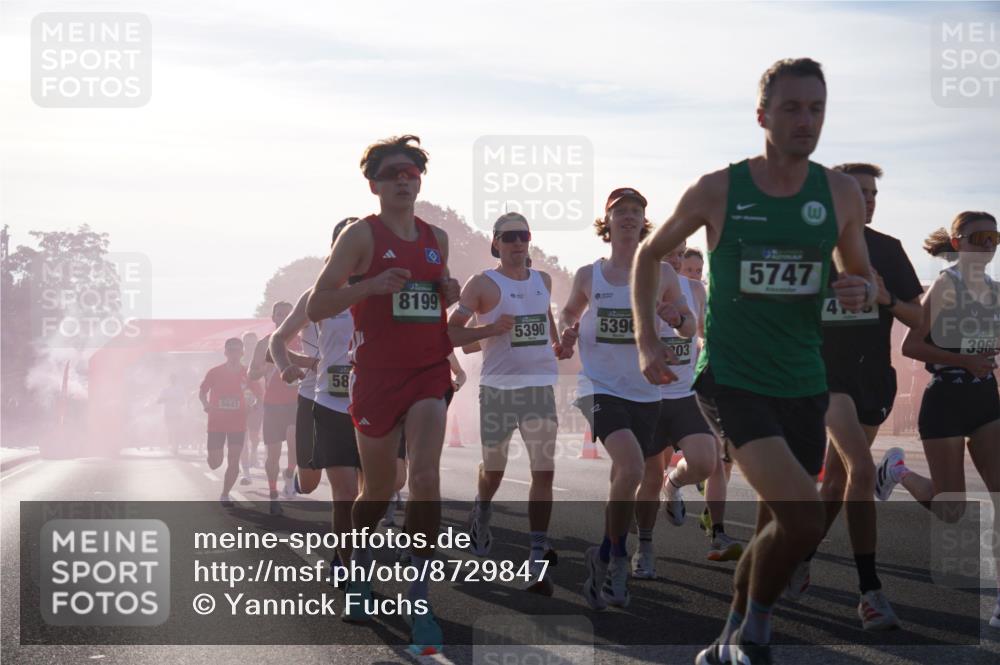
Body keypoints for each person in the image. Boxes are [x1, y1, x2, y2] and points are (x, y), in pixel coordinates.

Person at [632, 58, 877, 665]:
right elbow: (648, 253)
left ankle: (728, 638)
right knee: (803, 521)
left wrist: (858, 288)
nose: (806, 121)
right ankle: (756, 636)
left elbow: (860, 274)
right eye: (792, 108)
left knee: (777, 527)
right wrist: (645, 339)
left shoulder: (839, 192)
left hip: (804, 382)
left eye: (816, 109)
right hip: (733, 381)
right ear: (762, 115)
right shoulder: (719, 189)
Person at [306, 135, 460, 656]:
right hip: (374, 378)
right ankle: (357, 572)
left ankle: (419, 597)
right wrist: (367, 288)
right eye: (393, 172)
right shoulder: (359, 236)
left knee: (422, 477)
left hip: (427, 371)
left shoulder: (436, 235)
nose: (403, 178)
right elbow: (318, 304)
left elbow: (437, 294)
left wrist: (449, 291)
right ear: (373, 184)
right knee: (373, 494)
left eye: (412, 171)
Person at [560, 187, 695, 610]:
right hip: (599, 387)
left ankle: (602, 553)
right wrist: (566, 329)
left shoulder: (663, 274)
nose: (630, 216)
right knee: (633, 466)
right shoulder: (589, 274)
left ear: (644, 222)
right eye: (621, 211)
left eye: (637, 210)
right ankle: (619, 560)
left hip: (646, 391)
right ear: (608, 221)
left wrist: (678, 317)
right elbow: (568, 312)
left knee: (627, 478)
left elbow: (690, 327)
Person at [806, 162, 924, 630]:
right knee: (858, 467)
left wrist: (884, 299)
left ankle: (801, 555)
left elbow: (918, 318)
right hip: (823, 377)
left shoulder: (889, 250)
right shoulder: (809, 249)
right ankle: (870, 592)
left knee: (835, 484)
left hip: (873, 378)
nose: (869, 200)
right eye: (859, 192)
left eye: (874, 192)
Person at [876, 210, 1000, 630]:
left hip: (986, 401)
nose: (986, 245)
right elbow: (912, 345)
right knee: (952, 510)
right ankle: (897, 469)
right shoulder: (948, 285)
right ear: (957, 241)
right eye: (977, 237)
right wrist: (962, 358)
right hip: (946, 398)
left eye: (993, 237)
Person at [447, 212, 562, 595]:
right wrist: (490, 330)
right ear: (495, 242)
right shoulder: (482, 283)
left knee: (543, 471)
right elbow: (455, 335)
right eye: (509, 237)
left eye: (524, 236)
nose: (518, 243)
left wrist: (563, 343)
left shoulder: (542, 280)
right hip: (497, 389)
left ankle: (535, 555)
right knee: (494, 471)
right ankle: (481, 508)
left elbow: (547, 326)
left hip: (539, 388)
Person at [635, 239, 742, 576]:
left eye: (681, 253)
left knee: (707, 462)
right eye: (671, 253)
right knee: (649, 476)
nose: (677, 261)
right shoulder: (640, 284)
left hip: (688, 395)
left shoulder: (694, 289)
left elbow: (705, 332)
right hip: (650, 397)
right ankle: (645, 547)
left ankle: (680, 489)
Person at [249, 302, 300, 515]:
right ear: (273, 317)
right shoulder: (264, 343)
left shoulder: (303, 339)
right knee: (273, 454)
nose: (282, 317)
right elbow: (252, 374)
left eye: (287, 314)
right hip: (272, 404)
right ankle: (273, 495)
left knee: (294, 439)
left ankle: (290, 472)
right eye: (279, 314)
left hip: (297, 401)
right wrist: (265, 367)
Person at [199, 338, 260, 506]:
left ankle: (225, 494)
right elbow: (202, 392)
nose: (234, 353)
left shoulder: (248, 373)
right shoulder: (214, 372)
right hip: (216, 423)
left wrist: (254, 405)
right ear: (225, 353)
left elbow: (258, 394)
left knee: (234, 460)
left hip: (238, 423)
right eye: (230, 350)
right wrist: (205, 405)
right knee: (215, 463)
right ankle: (212, 456)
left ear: (242, 353)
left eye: (237, 350)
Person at [240, 331, 264, 483]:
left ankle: (254, 451)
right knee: (243, 436)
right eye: (247, 343)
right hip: (241, 404)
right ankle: (246, 471)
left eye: (253, 343)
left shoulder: (261, 358)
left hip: (259, 402)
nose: (250, 345)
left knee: (254, 436)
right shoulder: (239, 359)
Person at [157, 373, 187, 455]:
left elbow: (183, 401)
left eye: (174, 379)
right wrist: (165, 399)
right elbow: (159, 401)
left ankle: (175, 447)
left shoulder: (179, 390)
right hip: (169, 413)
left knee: (175, 430)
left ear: (176, 380)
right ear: (169, 380)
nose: (172, 380)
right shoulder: (165, 390)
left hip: (176, 413)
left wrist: (174, 400)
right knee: (171, 430)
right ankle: (173, 446)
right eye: (171, 379)